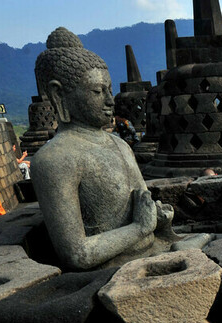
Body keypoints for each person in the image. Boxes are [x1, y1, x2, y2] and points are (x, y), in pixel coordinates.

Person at [32, 26, 172, 270]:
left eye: (109, 90)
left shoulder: (120, 144)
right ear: (59, 94)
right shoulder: (54, 159)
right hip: (114, 271)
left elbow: (143, 202)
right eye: (97, 92)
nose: (110, 101)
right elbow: (77, 254)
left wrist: (157, 217)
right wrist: (139, 228)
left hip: (156, 249)